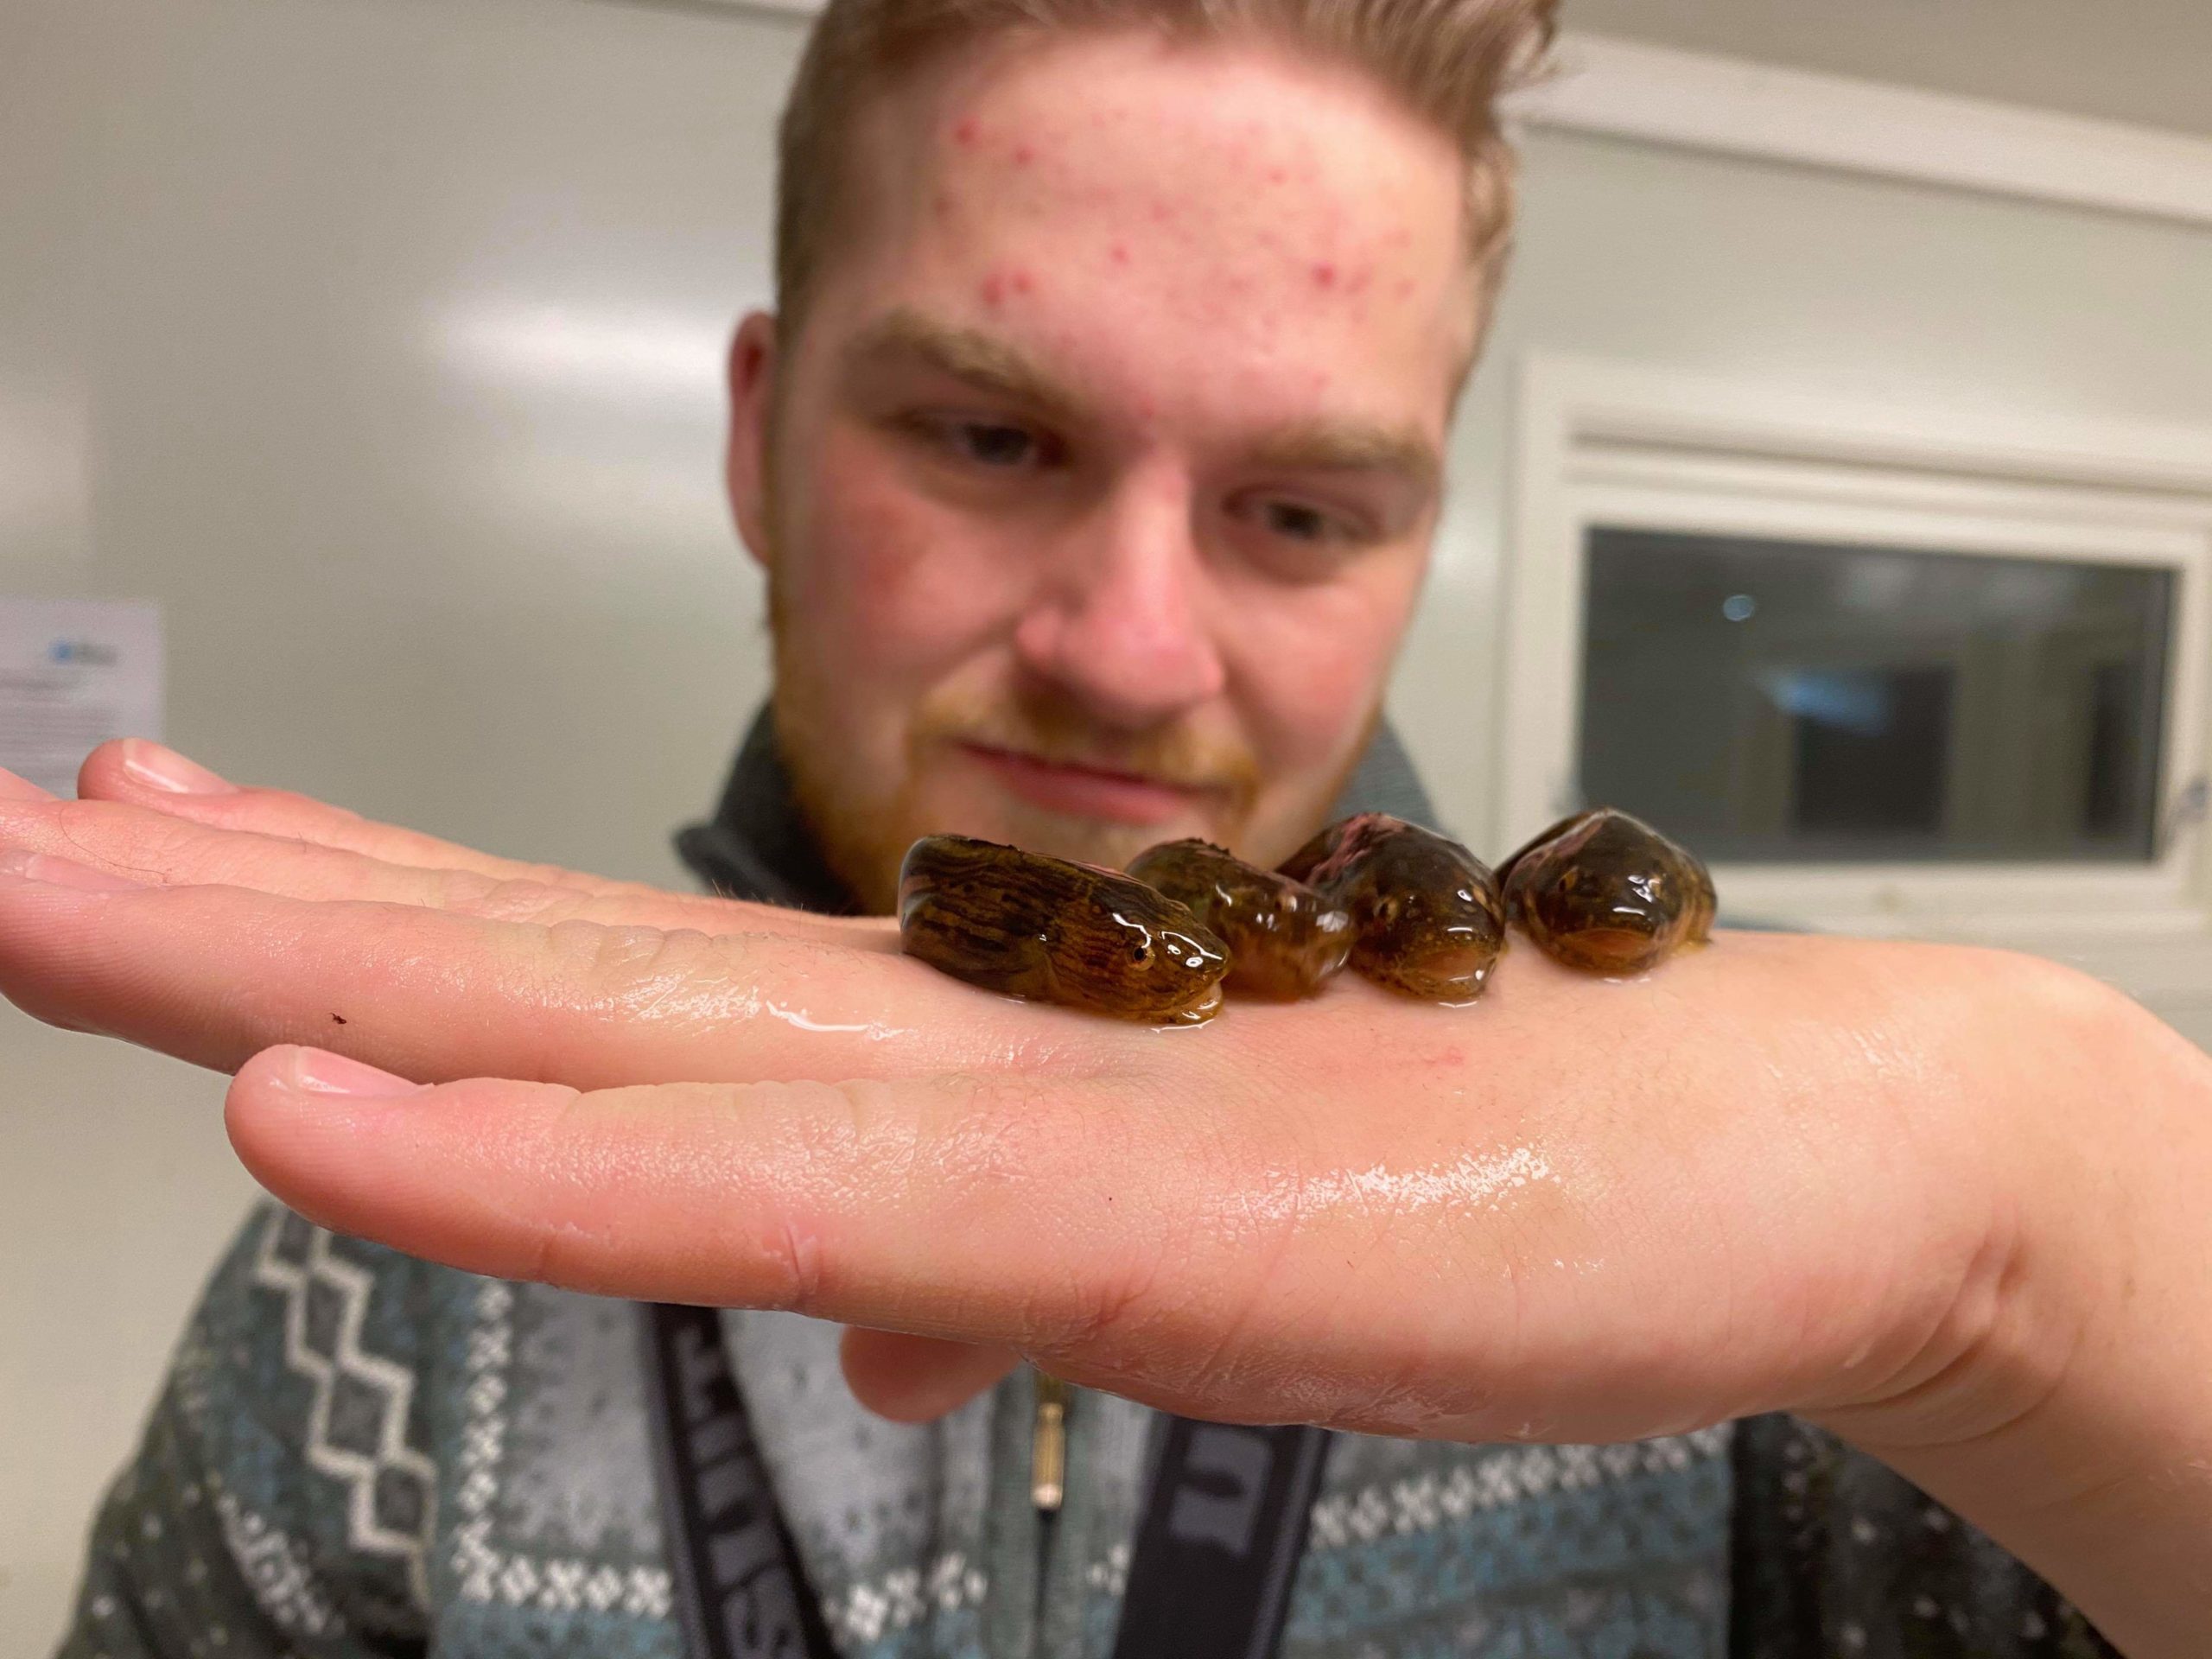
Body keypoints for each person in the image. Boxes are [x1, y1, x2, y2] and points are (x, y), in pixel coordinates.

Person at [4, 0, 2208, 1652]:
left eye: (1297, 508)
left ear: (1417, 535)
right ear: (759, 438)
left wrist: (2040, 1249)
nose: (1135, 650)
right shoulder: (370, 1267)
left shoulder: (1790, 1313)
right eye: (987, 436)